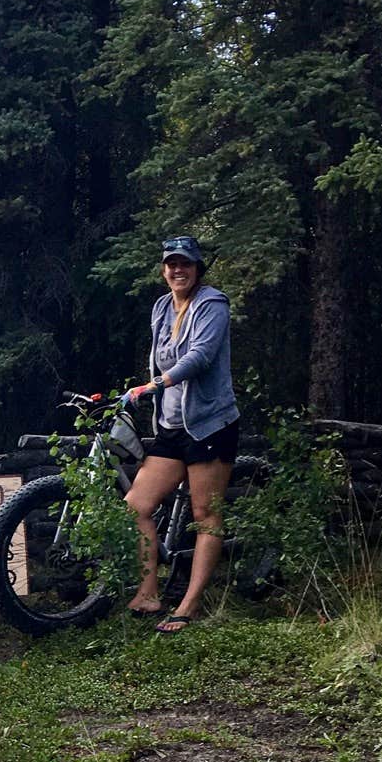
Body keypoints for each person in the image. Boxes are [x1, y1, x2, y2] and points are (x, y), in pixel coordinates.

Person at [121, 235, 240, 633]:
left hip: (210, 423)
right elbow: (158, 354)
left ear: (197, 268)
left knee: (205, 514)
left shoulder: (212, 304)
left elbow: (201, 357)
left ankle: (189, 604)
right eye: (171, 264)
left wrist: (156, 384)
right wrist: (145, 390)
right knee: (137, 504)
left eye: (185, 264)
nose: (178, 270)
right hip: (171, 427)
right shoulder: (160, 306)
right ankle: (150, 590)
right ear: (163, 269)